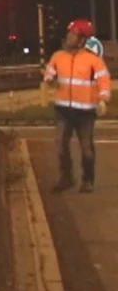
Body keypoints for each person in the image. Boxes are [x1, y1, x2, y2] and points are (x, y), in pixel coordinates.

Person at [44, 19, 111, 193]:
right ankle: (66, 178)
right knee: (60, 144)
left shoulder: (93, 60)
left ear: (82, 39)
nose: (68, 37)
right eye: (69, 33)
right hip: (63, 109)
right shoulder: (58, 56)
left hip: (86, 112)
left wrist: (103, 99)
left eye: (73, 34)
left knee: (86, 147)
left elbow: (104, 80)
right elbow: (49, 74)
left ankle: (88, 180)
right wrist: (49, 80)